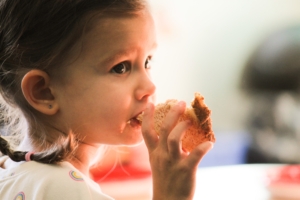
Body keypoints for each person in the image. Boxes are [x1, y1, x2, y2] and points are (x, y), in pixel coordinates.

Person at [0, 0, 213, 199]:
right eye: (120, 67)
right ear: (43, 92)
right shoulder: (69, 190)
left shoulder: (11, 171)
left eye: (148, 61)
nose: (150, 87)